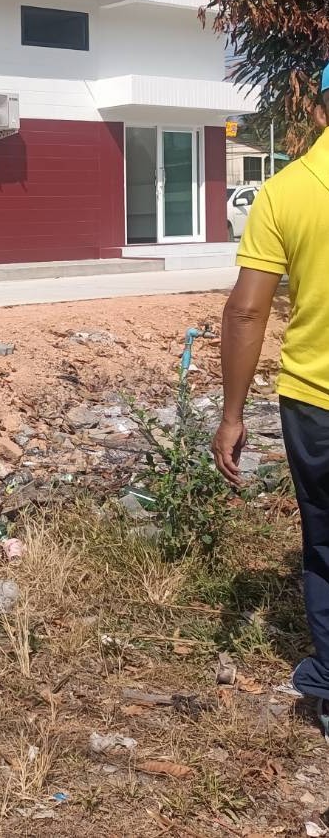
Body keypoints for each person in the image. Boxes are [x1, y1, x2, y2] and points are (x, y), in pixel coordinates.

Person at [214, 62, 329, 733]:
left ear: (317, 110)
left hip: (315, 403)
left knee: (324, 542)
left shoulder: (286, 193)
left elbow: (247, 310)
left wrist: (232, 415)